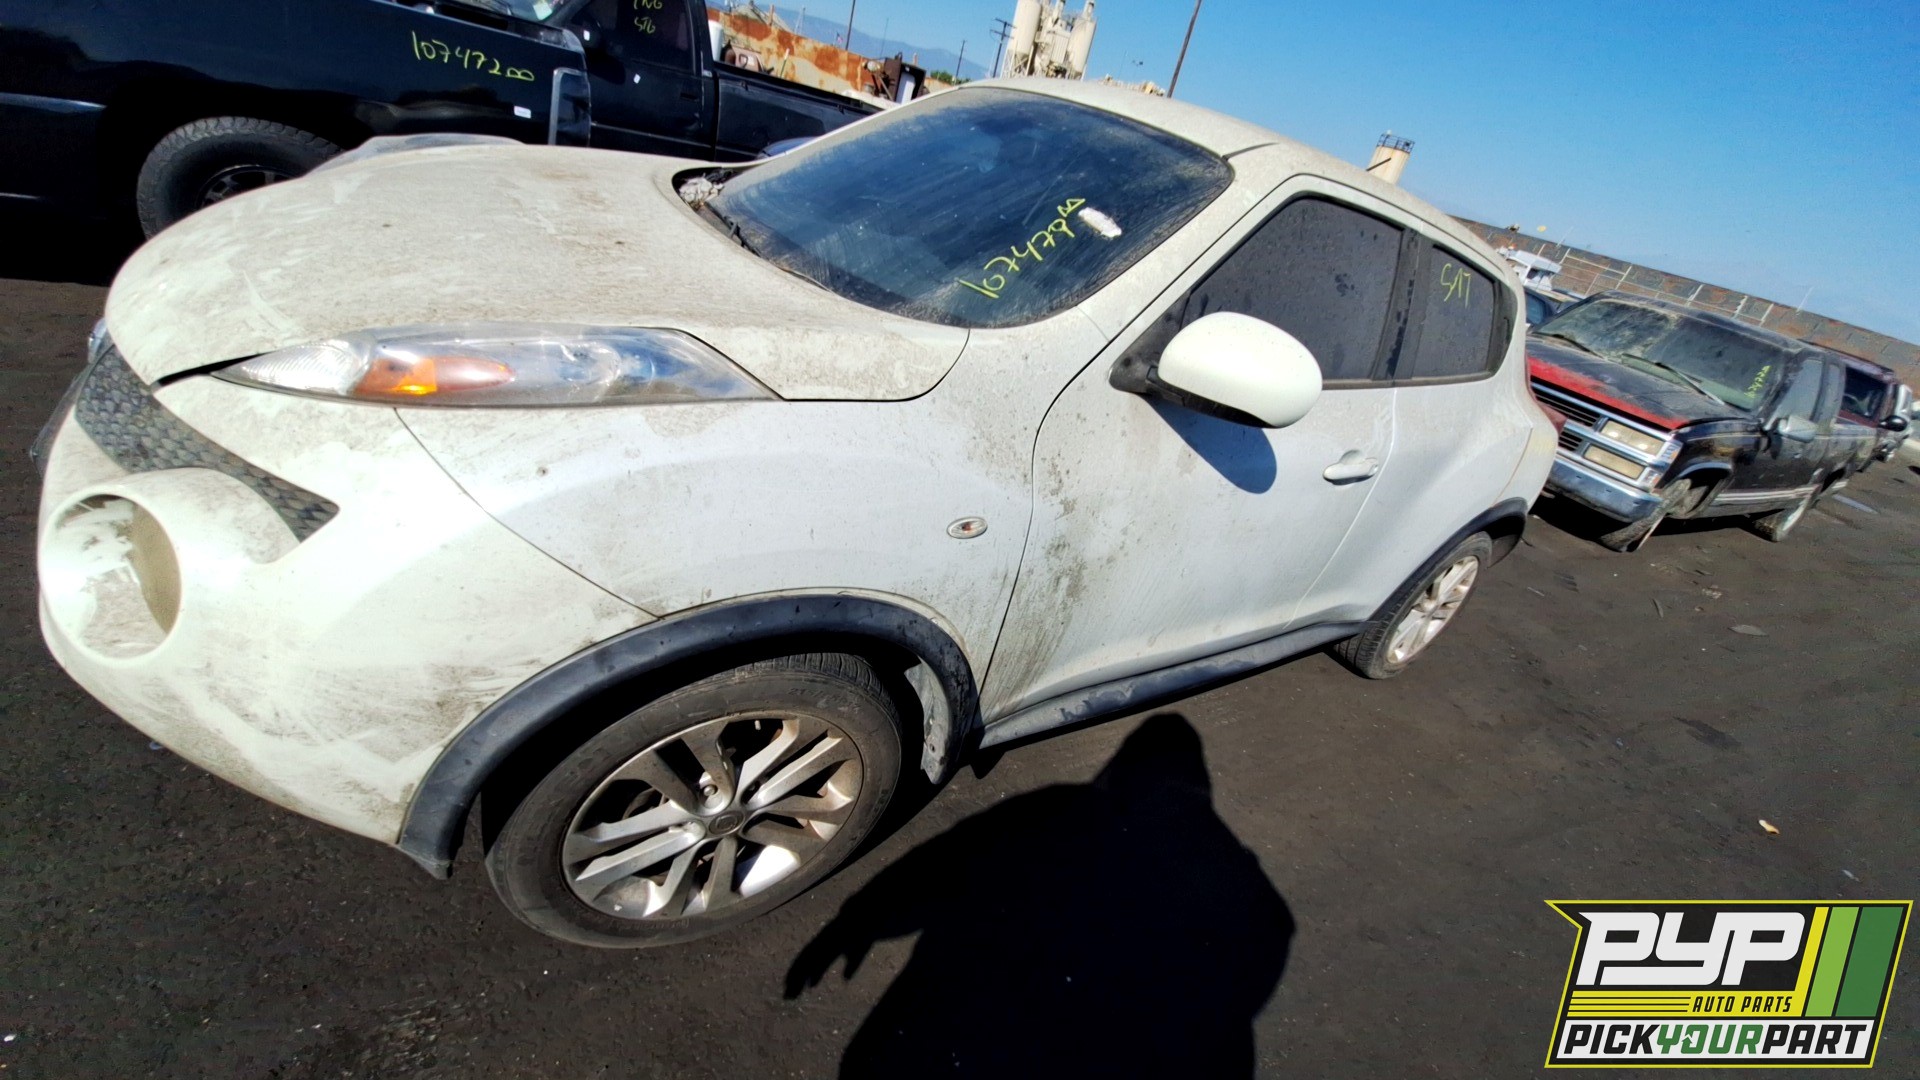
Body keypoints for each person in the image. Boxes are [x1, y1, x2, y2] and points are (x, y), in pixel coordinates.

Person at [786, 714, 1294, 1078]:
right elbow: (1233, 1005)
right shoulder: (1256, 899)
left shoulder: (1063, 811)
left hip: (976, 1033)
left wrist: (857, 922)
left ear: (1119, 774)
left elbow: (945, 862)